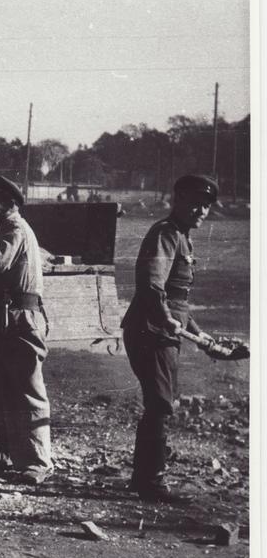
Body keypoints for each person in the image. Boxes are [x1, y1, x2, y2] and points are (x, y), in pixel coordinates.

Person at [120, 175, 218, 504]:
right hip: (149, 330)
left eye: (206, 205)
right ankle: (151, 482)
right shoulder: (165, 233)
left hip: (164, 332)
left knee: (161, 403)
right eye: (195, 203)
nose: (201, 210)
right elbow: (152, 284)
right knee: (161, 402)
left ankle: (144, 478)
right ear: (178, 199)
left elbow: (178, 300)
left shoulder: (183, 238)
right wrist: (165, 317)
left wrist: (198, 332)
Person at [0, 176, 53, 485]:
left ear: (9, 204)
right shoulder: (5, 229)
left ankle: (37, 463)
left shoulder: (15, 229)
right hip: (5, 316)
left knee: (27, 388)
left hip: (20, 317)